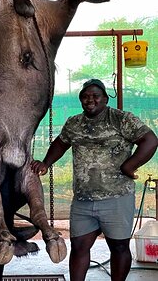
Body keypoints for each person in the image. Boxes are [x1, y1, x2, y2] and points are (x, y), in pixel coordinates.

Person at [31, 79, 158, 281]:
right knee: (79, 247)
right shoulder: (74, 122)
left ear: (105, 99)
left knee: (118, 247)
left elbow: (150, 140)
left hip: (117, 197)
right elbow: (60, 143)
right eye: (85, 96)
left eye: (95, 96)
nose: (90, 100)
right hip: (83, 199)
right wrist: (46, 163)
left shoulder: (121, 119)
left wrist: (129, 166)